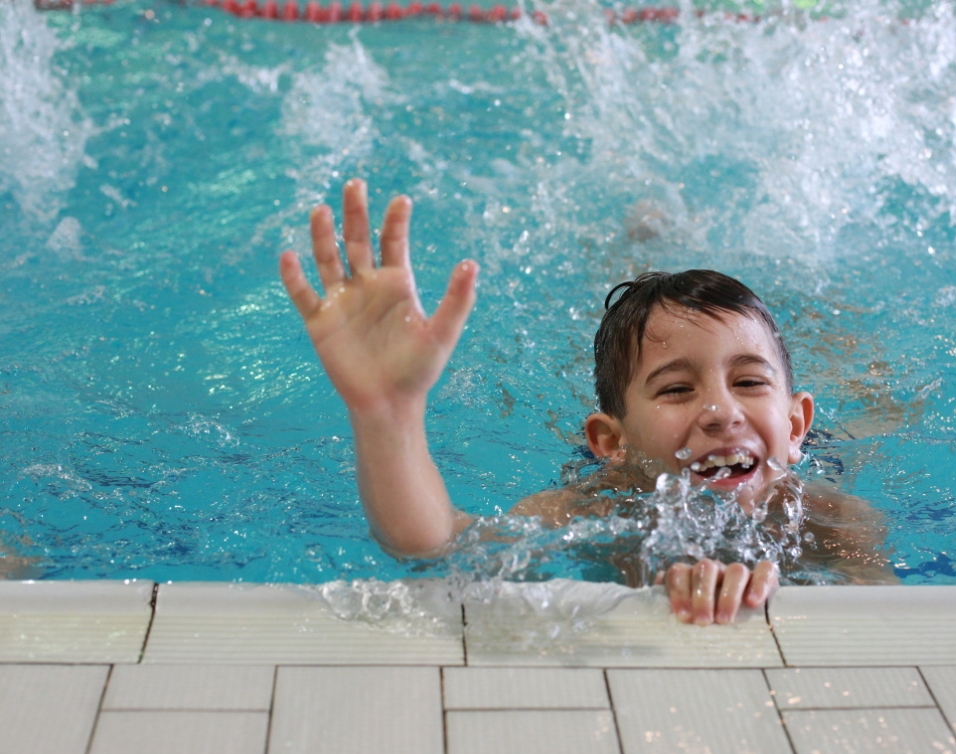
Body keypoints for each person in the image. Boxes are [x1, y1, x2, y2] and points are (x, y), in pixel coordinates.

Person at [279, 179, 890, 626]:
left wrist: (775, 596)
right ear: (610, 442)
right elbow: (438, 551)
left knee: (877, 398)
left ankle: (651, 246)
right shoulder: (588, 511)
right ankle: (636, 247)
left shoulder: (831, 520)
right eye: (677, 390)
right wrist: (389, 413)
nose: (722, 411)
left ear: (795, 424)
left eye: (750, 383)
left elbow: (882, 623)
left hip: (818, 449)